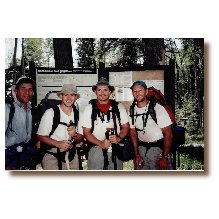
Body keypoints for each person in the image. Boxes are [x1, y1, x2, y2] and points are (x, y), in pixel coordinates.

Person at [82, 77, 129, 170]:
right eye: (99, 90)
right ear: (95, 92)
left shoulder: (118, 107)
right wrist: (100, 143)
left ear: (110, 92)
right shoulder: (89, 108)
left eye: (105, 90)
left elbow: (126, 127)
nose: (102, 93)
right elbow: (86, 133)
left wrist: (118, 138)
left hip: (116, 150)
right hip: (96, 150)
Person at [36, 84, 83, 170]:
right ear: (61, 96)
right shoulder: (50, 113)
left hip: (71, 154)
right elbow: (40, 136)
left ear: (76, 97)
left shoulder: (78, 115)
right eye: (66, 95)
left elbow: (80, 138)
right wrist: (58, 143)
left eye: (72, 95)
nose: (69, 98)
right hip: (52, 154)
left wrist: (74, 134)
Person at [129, 80, 173, 170]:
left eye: (140, 90)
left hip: (158, 151)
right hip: (141, 150)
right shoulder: (131, 110)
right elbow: (133, 132)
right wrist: (136, 154)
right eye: (135, 91)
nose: (137, 94)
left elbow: (168, 134)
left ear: (146, 92)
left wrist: (164, 157)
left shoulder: (157, 109)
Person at [5, 76, 37, 170]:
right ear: (16, 91)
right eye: (23, 89)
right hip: (9, 157)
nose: (27, 93)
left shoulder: (33, 111)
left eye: (30, 89)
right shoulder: (7, 108)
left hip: (26, 156)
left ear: (33, 92)